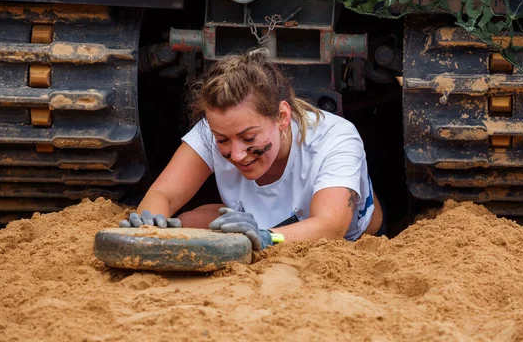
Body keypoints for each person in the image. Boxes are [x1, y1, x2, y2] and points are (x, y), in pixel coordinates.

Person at [120, 48, 384, 250]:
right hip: (256, 223)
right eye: (222, 140)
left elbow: (330, 226)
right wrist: (150, 226)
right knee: (185, 222)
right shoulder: (213, 128)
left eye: (248, 138)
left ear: (281, 116)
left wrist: (267, 238)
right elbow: (163, 193)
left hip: (352, 242)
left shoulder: (335, 137)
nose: (236, 154)